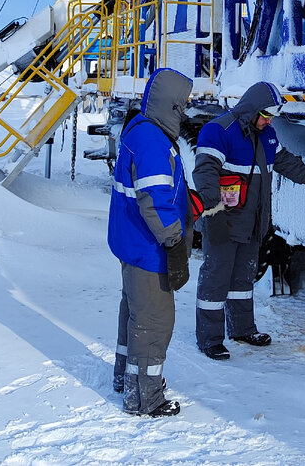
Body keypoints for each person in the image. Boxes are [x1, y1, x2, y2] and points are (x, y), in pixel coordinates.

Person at [192, 81, 305, 360]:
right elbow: (205, 172)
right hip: (223, 220)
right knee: (216, 278)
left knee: (243, 278)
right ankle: (209, 338)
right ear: (252, 109)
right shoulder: (219, 131)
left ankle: (243, 329)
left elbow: (286, 162)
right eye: (265, 115)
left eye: (271, 118)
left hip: (252, 222)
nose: (268, 122)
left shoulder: (267, 136)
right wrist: (213, 211)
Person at [108, 67, 194, 417]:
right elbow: (154, 199)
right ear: (170, 105)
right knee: (154, 321)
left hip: (133, 243)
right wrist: (175, 243)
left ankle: (125, 379)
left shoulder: (141, 130)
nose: (186, 111)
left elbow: (156, 191)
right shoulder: (153, 142)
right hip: (148, 248)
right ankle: (145, 398)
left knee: (135, 314)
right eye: (183, 105)